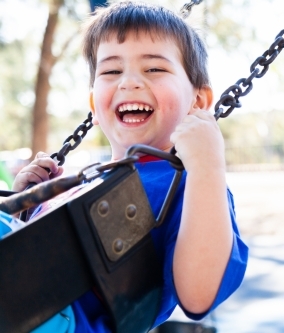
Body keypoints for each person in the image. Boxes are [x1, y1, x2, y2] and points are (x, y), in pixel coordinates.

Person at [9, 1, 248, 332]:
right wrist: (22, 206)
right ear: (94, 103)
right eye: (111, 71)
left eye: (154, 69)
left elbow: (198, 297)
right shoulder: (81, 181)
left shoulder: (188, 183)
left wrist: (208, 165)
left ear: (199, 101)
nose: (129, 82)